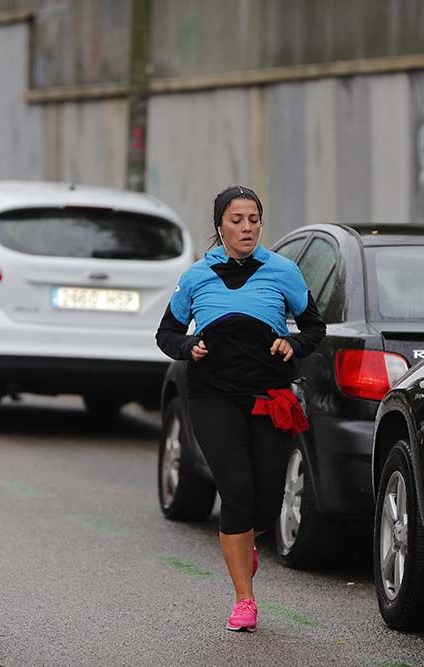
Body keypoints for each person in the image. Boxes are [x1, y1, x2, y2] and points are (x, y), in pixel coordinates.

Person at [155, 185, 326, 632]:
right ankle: (244, 600)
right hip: (212, 395)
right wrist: (189, 345)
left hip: (268, 397)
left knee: (266, 498)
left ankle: (245, 540)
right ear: (219, 227)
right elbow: (166, 333)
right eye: (237, 220)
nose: (246, 227)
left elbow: (314, 326)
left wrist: (292, 341)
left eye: (253, 219)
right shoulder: (197, 276)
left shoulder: (283, 271)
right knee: (236, 491)